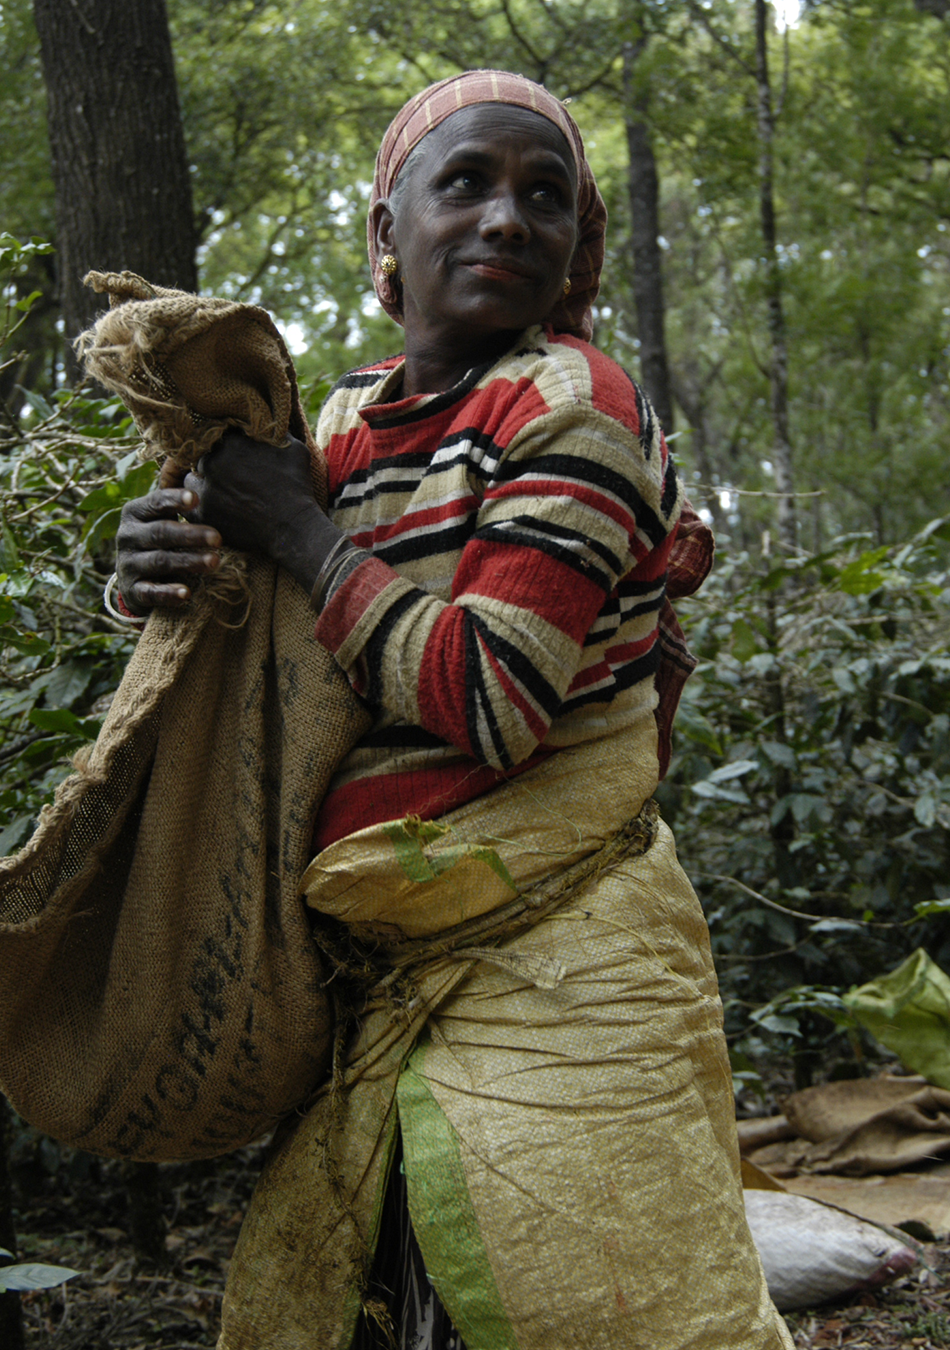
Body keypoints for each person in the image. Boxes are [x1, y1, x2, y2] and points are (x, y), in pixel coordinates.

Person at [115, 69, 793, 1350]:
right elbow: (267, 655)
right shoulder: (345, 423)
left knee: (594, 1297)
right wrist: (155, 569)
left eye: (546, 197)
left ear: (574, 244)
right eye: (466, 183)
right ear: (387, 233)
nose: (506, 219)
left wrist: (298, 533)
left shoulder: (574, 407)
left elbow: (488, 698)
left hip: (562, 965)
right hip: (382, 970)